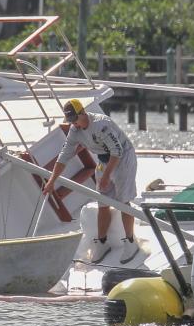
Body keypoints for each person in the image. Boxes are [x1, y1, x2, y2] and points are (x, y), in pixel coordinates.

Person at [42, 99, 140, 264]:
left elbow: (117, 151)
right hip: (103, 161)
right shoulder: (75, 130)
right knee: (102, 201)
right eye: (71, 121)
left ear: (82, 113)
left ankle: (130, 241)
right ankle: (102, 242)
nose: (74, 124)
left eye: (75, 119)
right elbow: (64, 155)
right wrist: (52, 180)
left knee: (123, 201)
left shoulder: (102, 125)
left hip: (122, 158)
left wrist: (107, 176)